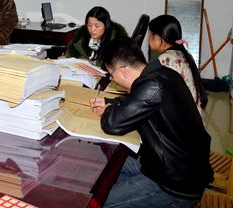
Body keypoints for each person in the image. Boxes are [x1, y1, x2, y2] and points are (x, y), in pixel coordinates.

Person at [90, 37, 212, 207]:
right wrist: (111, 102)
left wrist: (109, 109)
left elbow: (112, 124)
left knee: (98, 201)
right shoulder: (161, 73)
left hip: (174, 184)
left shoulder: (152, 86)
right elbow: (140, 102)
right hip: (167, 163)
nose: (113, 79)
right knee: (104, 169)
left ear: (123, 70)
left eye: (111, 74)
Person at [148, 14, 208, 119]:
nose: (147, 38)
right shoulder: (182, 54)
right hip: (194, 117)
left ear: (157, 38)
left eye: (149, 34)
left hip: (184, 121)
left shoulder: (166, 59)